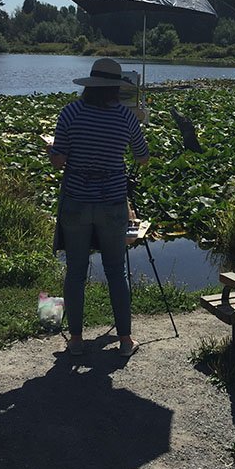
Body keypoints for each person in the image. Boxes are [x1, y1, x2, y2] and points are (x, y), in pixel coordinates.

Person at [49, 58, 149, 358]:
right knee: (116, 272)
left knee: (76, 272)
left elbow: (58, 160)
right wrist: (138, 121)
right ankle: (125, 341)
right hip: (112, 203)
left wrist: (50, 150)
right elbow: (142, 158)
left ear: (90, 85)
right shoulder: (125, 117)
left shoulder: (70, 112)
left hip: (77, 202)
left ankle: (76, 340)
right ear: (115, 89)